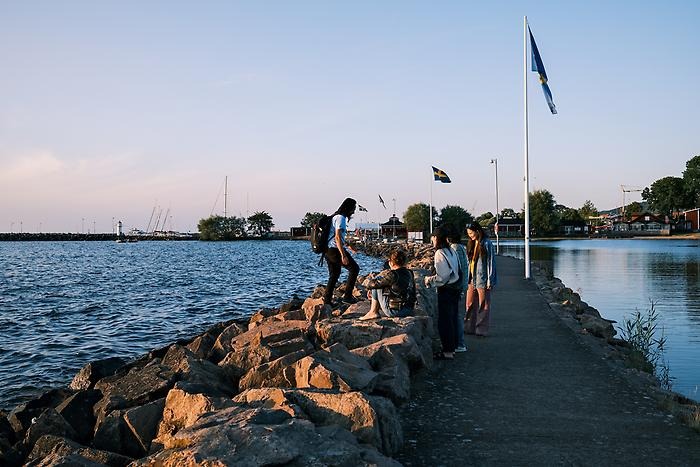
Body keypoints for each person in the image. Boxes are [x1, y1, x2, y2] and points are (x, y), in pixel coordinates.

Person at [423, 226, 461, 360]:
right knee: (452, 319)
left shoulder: (440, 253)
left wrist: (429, 280)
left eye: (433, 237)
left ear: (436, 238)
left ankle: (448, 351)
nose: (432, 240)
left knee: (445, 321)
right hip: (455, 288)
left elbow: (442, 276)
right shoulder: (451, 250)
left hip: (446, 289)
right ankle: (453, 347)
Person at [359, 248, 416, 320]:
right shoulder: (410, 272)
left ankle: (373, 312)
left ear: (391, 263)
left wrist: (370, 284)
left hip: (395, 311)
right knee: (382, 284)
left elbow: (374, 284)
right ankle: (373, 311)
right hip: (409, 309)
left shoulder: (393, 274)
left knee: (377, 284)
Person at [324, 198, 360, 305]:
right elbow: (337, 237)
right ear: (348, 207)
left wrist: (348, 246)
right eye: (354, 208)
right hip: (334, 250)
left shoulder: (336, 217)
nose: (354, 210)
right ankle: (347, 297)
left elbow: (337, 238)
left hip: (328, 250)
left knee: (334, 274)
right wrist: (343, 255)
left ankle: (327, 301)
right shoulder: (341, 218)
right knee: (354, 269)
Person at [464, 222, 498, 337]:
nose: (470, 236)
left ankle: (481, 330)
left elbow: (491, 262)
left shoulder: (487, 243)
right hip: (471, 278)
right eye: (468, 234)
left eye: (471, 233)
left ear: (477, 231)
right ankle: (469, 327)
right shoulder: (471, 244)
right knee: (469, 303)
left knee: (483, 304)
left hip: (482, 278)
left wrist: (490, 280)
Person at [448, 226, 469, 352]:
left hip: (457, 286)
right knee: (457, 315)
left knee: (456, 315)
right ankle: (459, 343)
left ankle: (460, 343)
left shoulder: (454, 248)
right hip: (462, 285)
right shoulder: (460, 247)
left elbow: (458, 268)